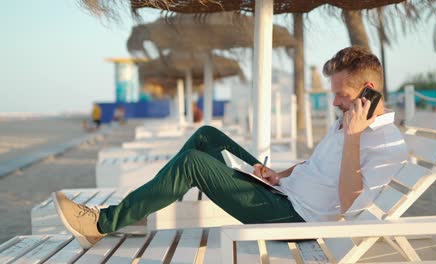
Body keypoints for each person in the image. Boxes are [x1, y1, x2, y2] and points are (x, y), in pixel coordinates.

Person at [53, 46, 408, 249]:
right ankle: (141, 208)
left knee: (193, 162)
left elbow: (349, 203)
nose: (335, 102)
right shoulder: (348, 121)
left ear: (368, 89)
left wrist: (353, 136)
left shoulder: (386, 142)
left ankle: (101, 223)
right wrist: (277, 174)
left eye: (341, 95)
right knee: (207, 135)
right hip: (282, 193)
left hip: (297, 220)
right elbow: (315, 166)